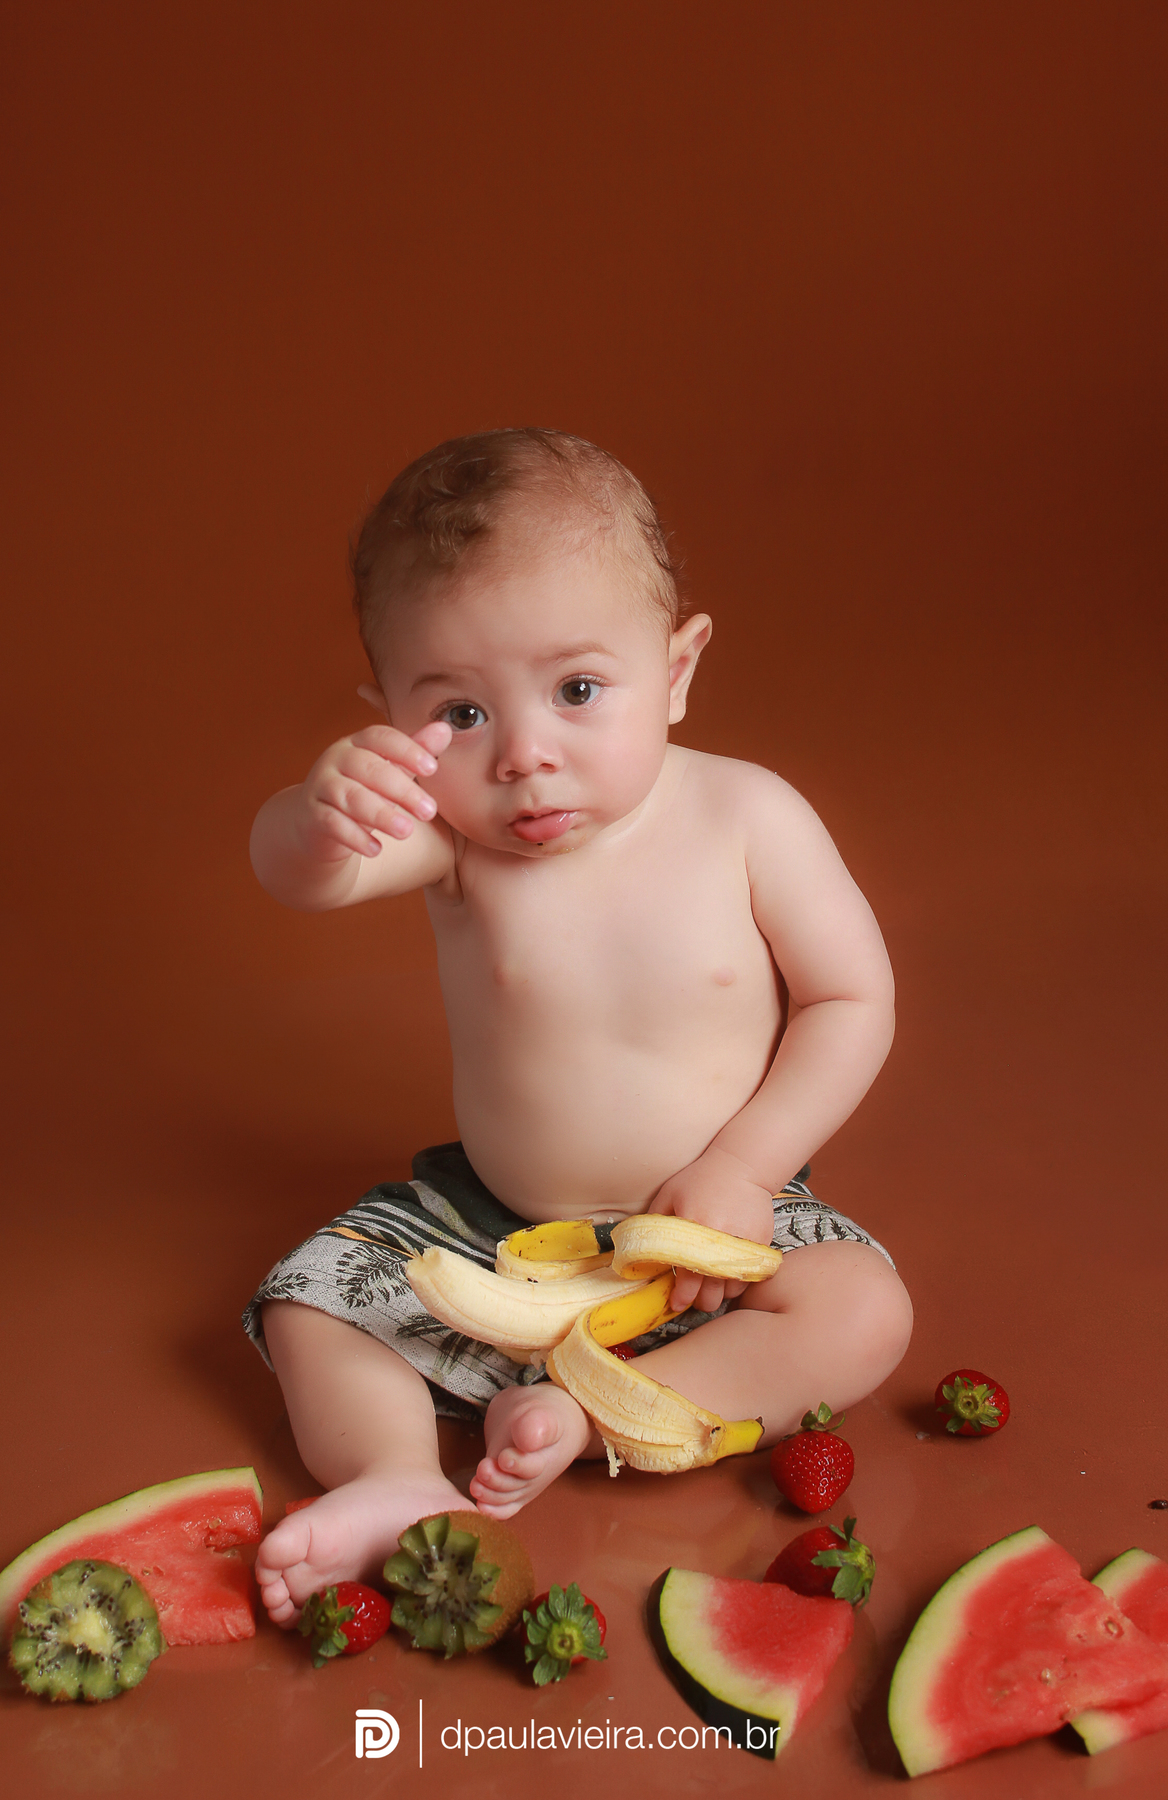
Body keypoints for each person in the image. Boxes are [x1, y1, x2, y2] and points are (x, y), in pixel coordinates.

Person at [244, 428, 911, 1627]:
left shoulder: (749, 816)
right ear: (391, 715)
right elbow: (308, 876)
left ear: (679, 664)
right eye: (457, 712)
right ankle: (395, 1475)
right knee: (305, 1300)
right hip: (491, 1227)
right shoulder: (451, 842)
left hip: (710, 1229)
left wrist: (744, 1167)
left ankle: (585, 1417)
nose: (526, 757)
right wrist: (319, 808)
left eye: (579, 690)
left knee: (864, 1306)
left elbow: (850, 1000)